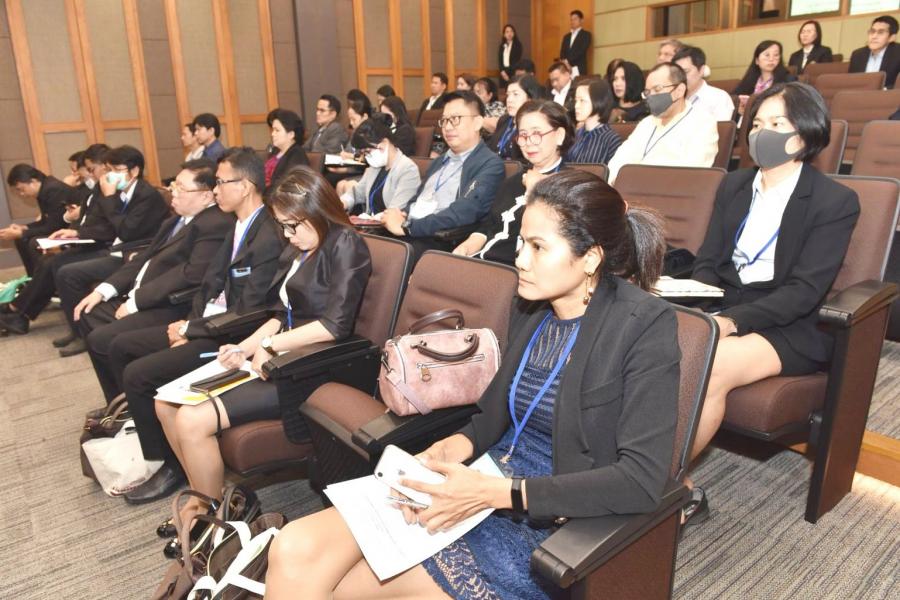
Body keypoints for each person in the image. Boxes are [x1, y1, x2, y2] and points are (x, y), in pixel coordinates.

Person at [264, 169, 679, 600]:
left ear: (590, 258)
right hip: (480, 478)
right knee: (294, 548)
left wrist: (495, 493)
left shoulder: (643, 325)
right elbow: (488, 420)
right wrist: (440, 454)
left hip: (548, 514)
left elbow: (640, 479)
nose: (521, 260)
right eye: (521, 243)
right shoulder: (532, 307)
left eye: (538, 247)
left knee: (351, 592)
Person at [155, 165, 371, 537]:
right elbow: (280, 315)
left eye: (293, 225)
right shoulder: (300, 247)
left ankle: (210, 515)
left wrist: (271, 346)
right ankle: (202, 498)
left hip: (309, 368)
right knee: (165, 405)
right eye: (282, 226)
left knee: (191, 419)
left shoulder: (345, 243)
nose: (288, 235)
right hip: (278, 356)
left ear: (318, 210)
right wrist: (243, 348)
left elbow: (334, 326)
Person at [687, 82, 860, 521]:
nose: (762, 132)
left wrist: (731, 322)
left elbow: (804, 292)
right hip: (725, 304)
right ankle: (673, 487)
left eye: (777, 123)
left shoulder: (834, 201)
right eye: (757, 123)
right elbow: (708, 261)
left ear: (804, 133)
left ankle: (654, 489)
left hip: (789, 322)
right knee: (651, 341)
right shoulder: (735, 184)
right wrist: (698, 301)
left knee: (709, 364)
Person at [107, 147, 284, 504]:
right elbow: (208, 284)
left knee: (139, 375)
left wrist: (191, 332)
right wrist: (188, 324)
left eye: (221, 182)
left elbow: (250, 311)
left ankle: (170, 467)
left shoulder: (267, 235)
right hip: (206, 325)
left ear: (245, 186)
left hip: (231, 338)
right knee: (121, 347)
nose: (215, 190)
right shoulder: (236, 224)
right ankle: (164, 454)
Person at [73, 159, 233, 404]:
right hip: (144, 294)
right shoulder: (176, 220)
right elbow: (144, 258)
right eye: (174, 185)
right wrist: (104, 290)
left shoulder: (214, 223)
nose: (173, 192)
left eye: (181, 188)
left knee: (103, 340)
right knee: (89, 311)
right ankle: (118, 401)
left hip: (170, 305)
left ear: (205, 196)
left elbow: (190, 275)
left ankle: (126, 404)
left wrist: (135, 302)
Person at [53, 145, 170, 354]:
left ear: (134, 171)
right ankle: (79, 330)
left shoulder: (146, 195)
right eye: (108, 169)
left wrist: (109, 197)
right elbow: (106, 224)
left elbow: (126, 231)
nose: (110, 175)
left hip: (133, 254)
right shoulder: (122, 192)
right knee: (63, 268)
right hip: (116, 249)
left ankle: (85, 335)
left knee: (68, 273)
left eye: (117, 169)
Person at [0, 144, 114, 340]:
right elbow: (57, 220)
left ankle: (18, 309)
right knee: (45, 257)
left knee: (46, 256)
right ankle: (20, 310)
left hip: (104, 245)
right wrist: (25, 229)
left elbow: (108, 225)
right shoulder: (96, 188)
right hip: (90, 238)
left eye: (89, 169)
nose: (85, 174)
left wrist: (74, 231)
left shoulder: (58, 189)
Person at [381, 91, 505, 257]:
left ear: (477, 123)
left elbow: (464, 212)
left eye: (455, 119)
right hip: (411, 230)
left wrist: (408, 227)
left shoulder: (490, 165)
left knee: (386, 257)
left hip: (439, 240)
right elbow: (417, 200)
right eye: (445, 120)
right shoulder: (439, 162)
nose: (447, 127)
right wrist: (401, 214)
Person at [453, 99, 573, 266]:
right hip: (483, 263)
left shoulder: (571, 186)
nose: (528, 142)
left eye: (536, 134)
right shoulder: (514, 181)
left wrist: (534, 191)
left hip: (520, 271)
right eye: (523, 135)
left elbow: (555, 239)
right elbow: (490, 226)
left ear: (559, 135)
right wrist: (467, 247)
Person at [607, 62, 718, 184]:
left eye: (657, 89)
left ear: (679, 90)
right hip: (629, 189)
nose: (651, 97)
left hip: (669, 191)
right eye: (648, 92)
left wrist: (638, 179)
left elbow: (692, 171)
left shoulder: (703, 123)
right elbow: (618, 160)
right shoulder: (646, 123)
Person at [339, 114, 421, 215]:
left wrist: (371, 220)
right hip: (369, 222)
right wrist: (342, 203)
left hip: (387, 224)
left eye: (367, 151)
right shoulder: (375, 167)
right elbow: (357, 193)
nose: (366, 156)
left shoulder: (408, 170)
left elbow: (396, 212)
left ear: (384, 143)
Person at [0, 164, 71, 276]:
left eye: (21, 189)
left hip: (70, 230)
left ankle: (41, 279)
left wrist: (22, 233)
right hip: (59, 228)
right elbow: (45, 221)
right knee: (22, 239)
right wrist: (24, 228)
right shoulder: (44, 189)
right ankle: (33, 278)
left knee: (32, 241)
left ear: (33, 181)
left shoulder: (53, 189)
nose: (22, 194)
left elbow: (55, 225)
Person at [488, 75, 547, 161]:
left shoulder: (537, 125)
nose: (509, 99)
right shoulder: (504, 120)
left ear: (530, 99)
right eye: (508, 95)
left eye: (515, 94)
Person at [567, 78, 622, 165]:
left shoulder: (611, 140)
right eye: (576, 101)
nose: (576, 106)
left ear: (598, 101)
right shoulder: (576, 134)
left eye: (582, 100)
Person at [674, 46, 737, 122]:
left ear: (701, 70)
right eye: (677, 73)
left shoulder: (719, 97)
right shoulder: (672, 98)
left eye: (686, 71)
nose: (681, 77)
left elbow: (721, 129)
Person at [733, 41, 794, 116]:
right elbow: (733, 97)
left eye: (776, 55)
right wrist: (739, 108)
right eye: (767, 55)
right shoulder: (749, 80)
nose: (771, 59)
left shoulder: (788, 80)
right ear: (757, 60)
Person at [849, 15, 899, 89]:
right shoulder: (858, 55)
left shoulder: (897, 54)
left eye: (880, 32)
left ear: (892, 37)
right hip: (860, 94)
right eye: (872, 32)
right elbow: (851, 83)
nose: (874, 36)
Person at [264, 108, 309, 189]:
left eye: (277, 130)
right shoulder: (275, 150)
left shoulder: (297, 154)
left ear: (291, 134)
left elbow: (289, 184)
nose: (272, 134)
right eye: (273, 130)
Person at [559, 9, 592, 76]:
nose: (572, 21)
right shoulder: (566, 37)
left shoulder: (586, 35)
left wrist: (567, 61)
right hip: (566, 69)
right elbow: (562, 51)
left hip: (579, 68)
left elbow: (581, 51)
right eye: (571, 19)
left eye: (575, 19)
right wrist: (565, 63)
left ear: (581, 20)